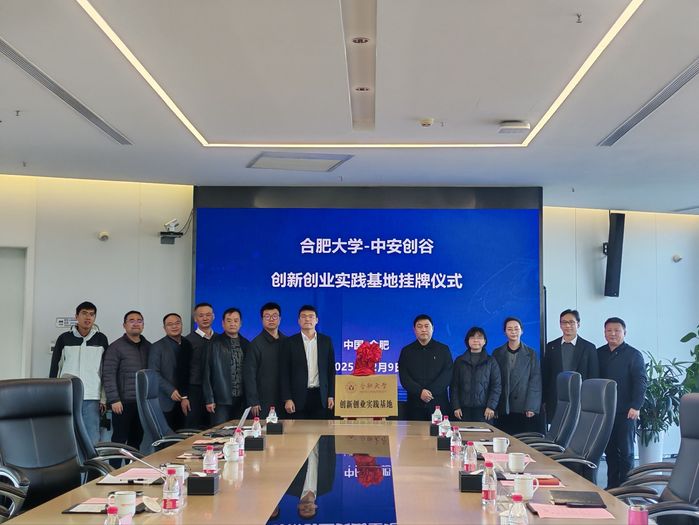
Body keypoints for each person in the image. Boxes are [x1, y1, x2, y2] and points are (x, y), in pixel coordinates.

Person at [597, 317, 647, 489]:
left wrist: (636, 406)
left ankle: (626, 489)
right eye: (609, 330)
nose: (612, 334)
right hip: (606, 411)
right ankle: (612, 487)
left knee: (626, 452)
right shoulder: (599, 353)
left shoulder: (633, 355)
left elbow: (641, 382)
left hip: (626, 411)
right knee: (610, 451)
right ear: (604, 333)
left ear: (624, 332)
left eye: (617, 330)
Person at [49, 301, 108, 444]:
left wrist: (103, 398)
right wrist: (53, 395)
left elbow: (105, 370)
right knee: (68, 435)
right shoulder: (64, 338)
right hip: (67, 395)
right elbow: (55, 367)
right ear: (76, 316)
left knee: (91, 438)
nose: (88, 317)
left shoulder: (101, 339)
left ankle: (90, 460)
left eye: (91, 314)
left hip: (91, 396)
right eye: (84, 313)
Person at [101, 310, 150, 451]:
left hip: (142, 403)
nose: (136, 323)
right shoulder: (116, 347)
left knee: (137, 440)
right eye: (131, 320)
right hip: (122, 403)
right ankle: (115, 465)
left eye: (139, 321)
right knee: (119, 440)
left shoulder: (149, 347)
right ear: (124, 325)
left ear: (143, 325)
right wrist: (114, 399)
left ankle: (132, 465)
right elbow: (108, 374)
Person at [280, 305, 336, 419]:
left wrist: (331, 395)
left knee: (320, 429)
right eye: (304, 316)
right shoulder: (290, 342)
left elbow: (331, 370)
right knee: (298, 429)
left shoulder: (326, 341)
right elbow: (284, 373)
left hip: (320, 396)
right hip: (297, 398)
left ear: (316, 320)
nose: (307, 319)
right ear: (298, 320)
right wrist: (287, 399)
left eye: (311, 316)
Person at [542, 309, 599, 421]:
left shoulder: (589, 347)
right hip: (556, 399)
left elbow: (593, 376)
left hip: (580, 400)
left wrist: (591, 401)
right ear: (560, 325)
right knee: (557, 429)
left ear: (578, 324)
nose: (568, 325)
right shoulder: (551, 346)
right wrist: (544, 400)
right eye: (564, 322)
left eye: (571, 322)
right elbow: (545, 375)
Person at [398, 314, 453, 421]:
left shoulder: (443, 349)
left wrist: (429, 392)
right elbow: (404, 377)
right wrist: (420, 392)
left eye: (427, 326)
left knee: (439, 431)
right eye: (419, 326)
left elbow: (447, 375)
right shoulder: (407, 351)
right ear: (414, 330)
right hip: (415, 404)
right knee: (414, 431)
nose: (423, 329)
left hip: (438, 403)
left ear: (433, 328)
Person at [492, 317, 542, 435]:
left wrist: (531, 406)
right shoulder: (497, 353)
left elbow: (535, 381)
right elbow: (493, 381)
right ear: (505, 332)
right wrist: (493, 405)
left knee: (521, 439)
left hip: (523, 406)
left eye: (516, 329)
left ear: (522, 331)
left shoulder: (531, 353)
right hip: (503, 405)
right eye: (509, 329)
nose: (513, 332)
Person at [202, 307, 250, 425]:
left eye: (236, 320)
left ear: (240, 323)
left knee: (239, 431)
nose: (232, 324)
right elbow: (206, 372)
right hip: (220, 400)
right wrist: (209, 399)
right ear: (223, 324)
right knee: (219, 432)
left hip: (242, 399)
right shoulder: (213, 343)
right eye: (229, 321)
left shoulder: (246, 344)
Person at [147, 313, 193, 431]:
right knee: (167, 435)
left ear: (181, 325)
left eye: (177, 323)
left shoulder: (187, 344)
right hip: (166, 400)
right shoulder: (157, 347)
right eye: (170, 324)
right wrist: (170, 390)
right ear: (164, 328)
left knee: (184, 434)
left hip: (185, 398)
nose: (174, 326)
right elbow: (154, 373)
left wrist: (185, 395)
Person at [244, 302, 286, 419]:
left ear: (280, 319)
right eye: (267, 316)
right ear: (262, 319)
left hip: (284, 399)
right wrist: (253, 401)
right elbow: (249, 375)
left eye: (274, 316)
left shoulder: (287, 342)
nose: (271, 319)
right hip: (263, 400)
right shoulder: (255, 344)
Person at [450, 326, 501, 423]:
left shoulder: (491, 361)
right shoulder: (459, 361)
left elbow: (496, 386)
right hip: (463, 411)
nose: (476, 340)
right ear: (467, 341)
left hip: (485, 411)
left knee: (484, 433)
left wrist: (491, 406)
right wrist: (456, 406)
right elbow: (454, 386)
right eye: (472, 337)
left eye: (479, 337)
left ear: (484, 341)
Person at [286, 436, 336, 520]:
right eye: (310, 510)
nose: (306, 508)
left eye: (303, 510)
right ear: (315, 506)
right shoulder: (326, 487)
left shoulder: (290, 488)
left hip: (299, 438)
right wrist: (331, 436)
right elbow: (331, 461)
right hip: (321, 439)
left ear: (298, 506)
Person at [184, 302, 216, 429]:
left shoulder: (219, 339)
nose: (205, 318)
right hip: (195, 390)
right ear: (195, 318)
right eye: (201, 315)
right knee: (194, 427)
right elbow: (182, 370)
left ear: (213, 316)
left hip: (215, 390)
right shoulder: (187, 341)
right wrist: (184, 396)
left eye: (208, 315)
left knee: (214, 428)